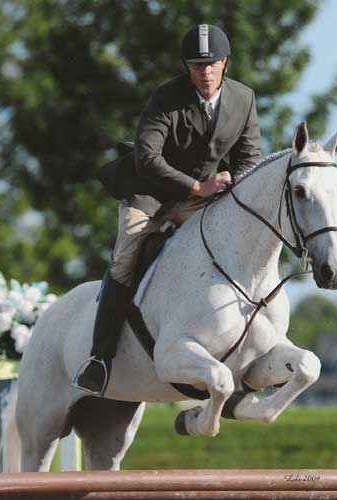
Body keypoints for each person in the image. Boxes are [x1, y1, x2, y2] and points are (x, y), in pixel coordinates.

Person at [74, 24, 261, 396]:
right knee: (125, 258)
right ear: (186, 68)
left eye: (211, 64)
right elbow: (146, 159)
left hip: (201, 194)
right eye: (196, 65)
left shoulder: (244, 99)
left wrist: (229, 187)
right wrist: (196, 187)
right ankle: (99, 359)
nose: (204, 72)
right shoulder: (166, 97)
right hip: (148, 192)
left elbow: (249, 157)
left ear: (225, 63)